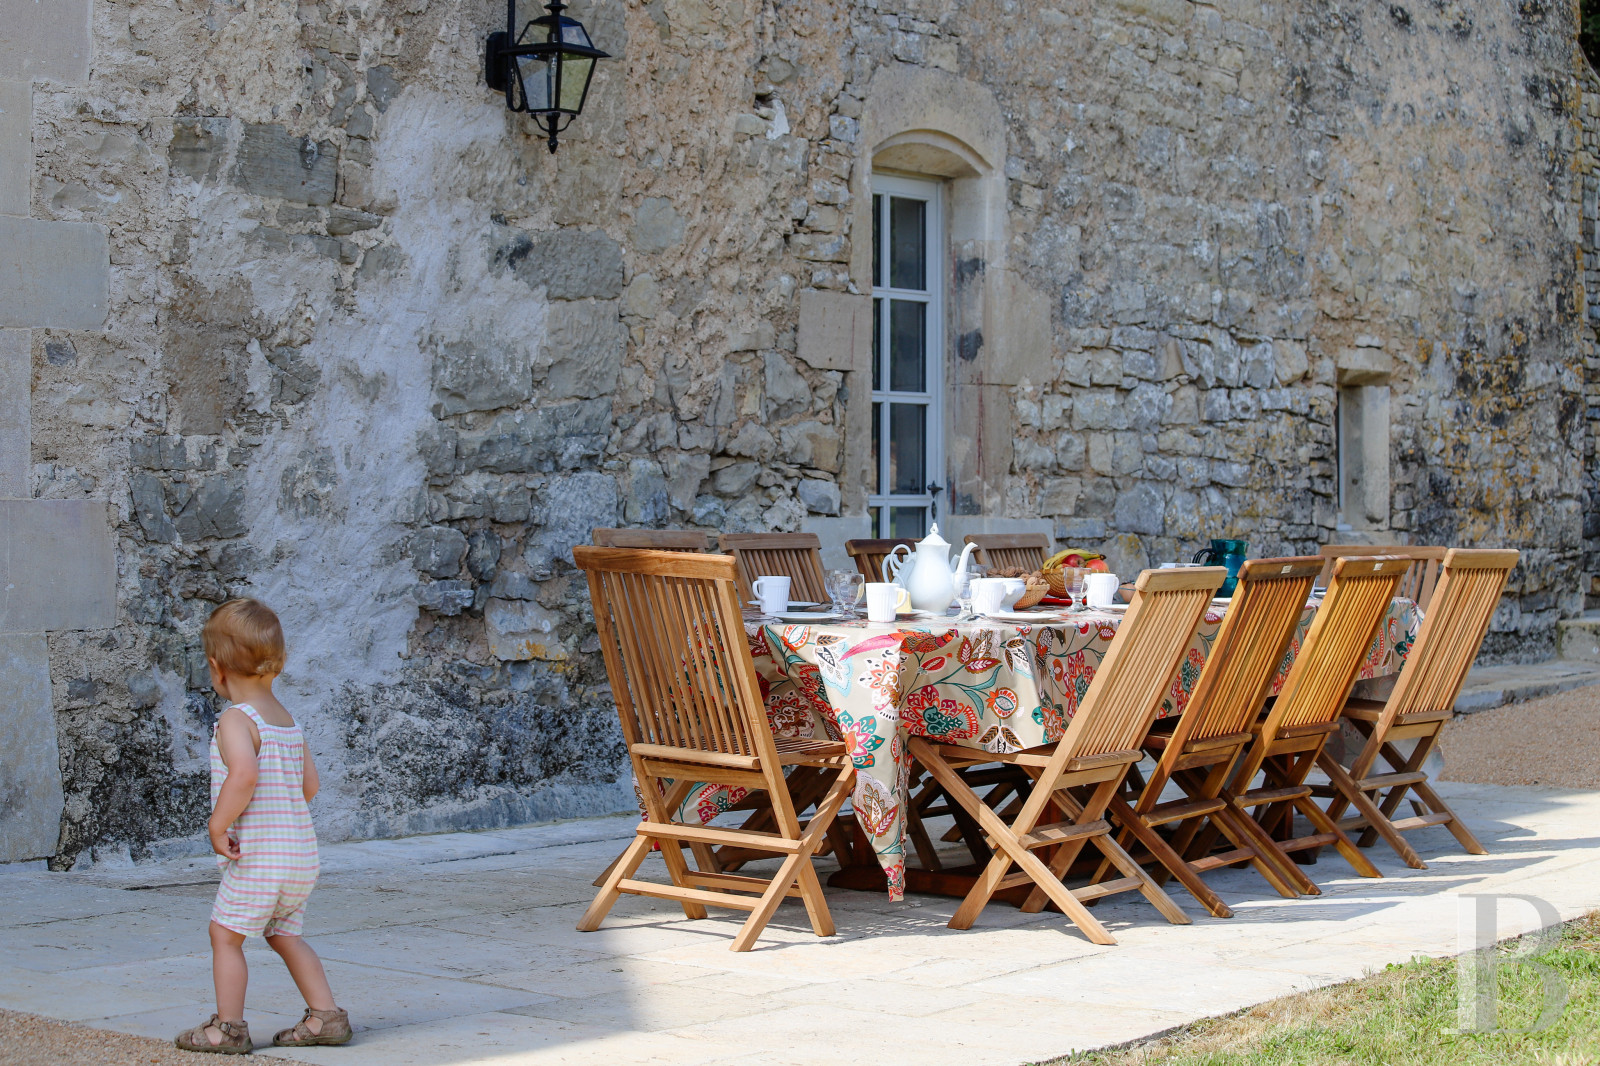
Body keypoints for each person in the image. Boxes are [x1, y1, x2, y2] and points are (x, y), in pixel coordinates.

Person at [174, 598, 352, 1054]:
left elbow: (244, 776)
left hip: (261, 859)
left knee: (224, 936)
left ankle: (228, 1029)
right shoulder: (286, 721)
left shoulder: (236, 719)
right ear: (277, 663)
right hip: (300, 858)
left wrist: (218, 824)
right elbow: (310, 786)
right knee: (285, 935)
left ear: (216, 669)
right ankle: (326, 1016)